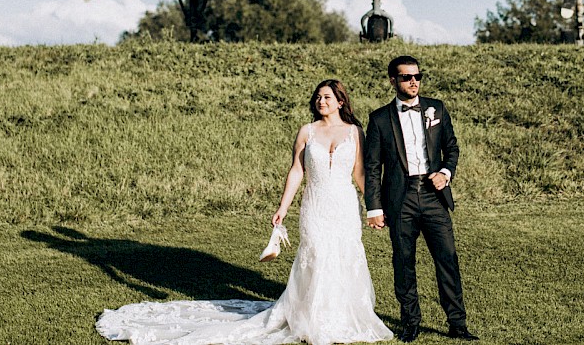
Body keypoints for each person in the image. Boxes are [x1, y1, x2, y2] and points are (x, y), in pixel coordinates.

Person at [96, 79, 393, 345]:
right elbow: (296, 172)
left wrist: (374, 208)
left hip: (343, 205)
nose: (321, 101)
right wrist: (282, 208)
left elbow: (360, 174)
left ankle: (341, 316)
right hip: (315, 205)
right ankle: (311, 318)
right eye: (318, 97)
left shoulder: (355, 132)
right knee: (315, 254)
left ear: (340, 101)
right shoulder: (307, 131)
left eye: (327, 97)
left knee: (343, 255)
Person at [364, 56, 478, 342]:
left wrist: (446, 171)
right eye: (406, 77)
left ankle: (457, 324)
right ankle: (410, 321)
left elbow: (451, 147)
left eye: (417, 76)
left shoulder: (436, 108)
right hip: (400, 199)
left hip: (433, 195)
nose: (413, 81)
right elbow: (372, 166)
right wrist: (374, 207)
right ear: (393, 80)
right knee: (404, 261)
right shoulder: (379, 119)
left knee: (447, 258)